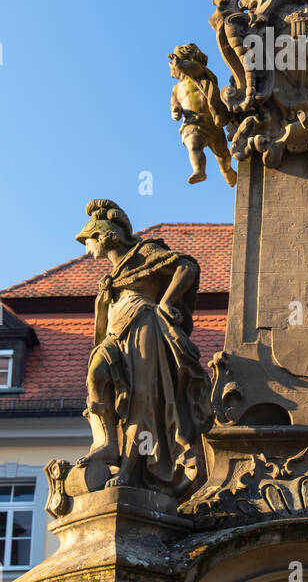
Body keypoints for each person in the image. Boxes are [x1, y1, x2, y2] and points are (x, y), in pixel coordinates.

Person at [74, 199, 212, 495]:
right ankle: (109, 442)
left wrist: (165, 302)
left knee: (141, 398)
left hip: (143, 329)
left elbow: (186, 267)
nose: (87, 249)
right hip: (115, 335)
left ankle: (131, 468)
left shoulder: (144, 253)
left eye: (89, 241)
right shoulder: (110, 277)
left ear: (107, 236)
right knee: (96, 373)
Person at [169, 43, 236, 187]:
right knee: (193, 146)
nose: (172, 66)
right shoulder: (176, 88)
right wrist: (175, 110)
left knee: (223, 156)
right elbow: (174, 104)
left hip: (211, 121)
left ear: (190, 58)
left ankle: (228, 171)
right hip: (192, 124)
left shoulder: (199, 72)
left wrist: (180, 64)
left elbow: (192, 69)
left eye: (178, 61)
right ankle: (199, 171)